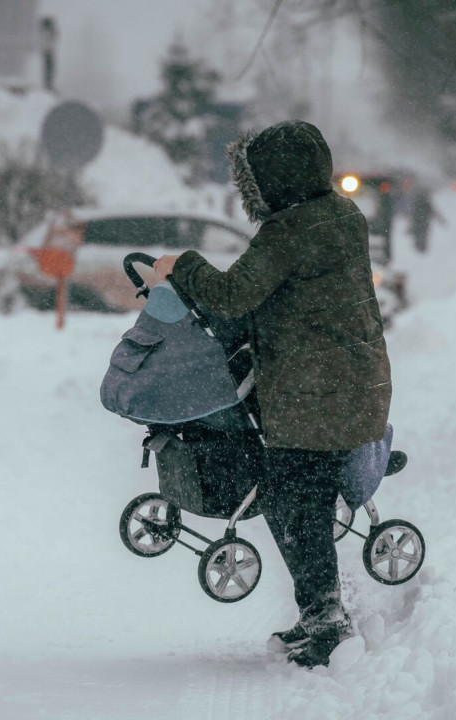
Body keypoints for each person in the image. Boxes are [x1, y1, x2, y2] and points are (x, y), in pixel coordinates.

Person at [153, 120, 392, 668]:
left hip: (317, 399)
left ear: (273, 181)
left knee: (295, 501)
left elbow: (233, 293)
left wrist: (181, 264)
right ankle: (319, 615)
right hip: (354, 385)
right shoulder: (341, 215)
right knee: (292, 497)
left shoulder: (290, 231)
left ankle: (328, 623)